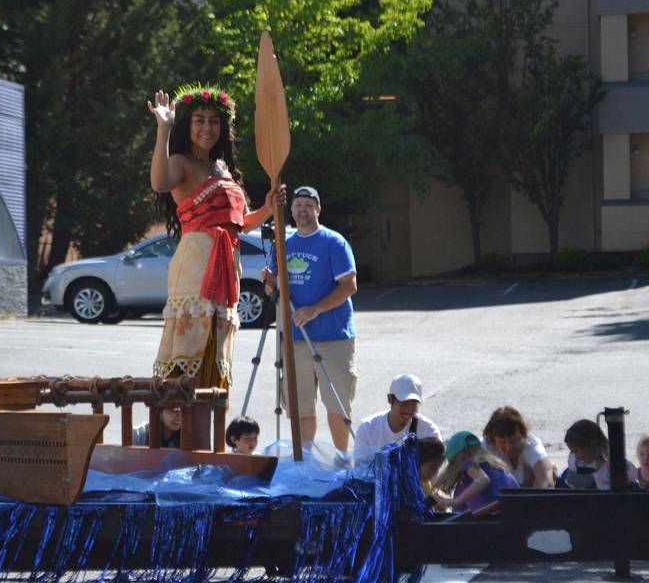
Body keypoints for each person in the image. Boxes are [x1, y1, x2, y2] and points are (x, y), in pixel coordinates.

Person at [148, 86, 284, 389]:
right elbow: (158, 182)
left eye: (214, 121)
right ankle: (181, 432)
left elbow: (242, 223)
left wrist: (268, 207)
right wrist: (163, 129)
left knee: (214, 364)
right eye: (199, 120)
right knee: (187, 363)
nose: (207, 128)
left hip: (226, 270)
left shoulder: (225, 171)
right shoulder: (180, 161)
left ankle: (208, 432)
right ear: (187, 125)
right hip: (195, 267)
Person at [263, 185, 358, 451]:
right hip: (293, 339)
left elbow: (349, 286)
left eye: (308, 205)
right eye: (298, 205)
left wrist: (315, 309)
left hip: (333, 337)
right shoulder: (284, 245)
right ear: (291, 210)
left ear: (318, 209)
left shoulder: (334, 242)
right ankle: (306, 465)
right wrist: (270, 284)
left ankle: (341, 461)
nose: (302, 209)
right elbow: (277, 290)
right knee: (301, 407)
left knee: (337, 405)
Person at [353, 374, 442, 462]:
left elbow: (434, 472)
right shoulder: (367, 428)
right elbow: (360, 470)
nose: (409, 408)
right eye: (404, 402)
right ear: (390, 399)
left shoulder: (430, 432)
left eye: (414, 402)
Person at [433, 431, 519, 513]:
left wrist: (455, 501)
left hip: (498, 514)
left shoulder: (469, 463)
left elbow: (483, 480)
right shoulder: (492, 465)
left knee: (461, 491)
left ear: (455, 460)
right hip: (516, 508)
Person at [482, 406, 555, 489]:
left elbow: (547, 483)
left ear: (523, 434)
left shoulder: (532, 447)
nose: (509, 448)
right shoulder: (486, 445)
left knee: (552, 471)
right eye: (502, 442)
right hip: (498, 495)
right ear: (493, 439)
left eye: (513, 441)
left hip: (529, 496)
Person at [563, 419, 638, 490]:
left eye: (576, 451)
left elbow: (632, 482)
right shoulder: (581, 465)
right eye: (572, 452)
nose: (575, 456)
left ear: (590, 446)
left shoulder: (614, 464)